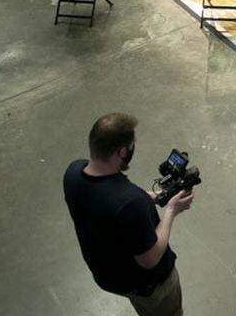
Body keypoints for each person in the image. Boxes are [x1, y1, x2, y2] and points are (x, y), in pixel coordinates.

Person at [63, 113, 193, 316]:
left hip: (109, 273)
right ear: (122, 152)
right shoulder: (131, 202)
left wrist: (152, 197)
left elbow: (109, 202)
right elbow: (149, 259)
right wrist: (171, 210)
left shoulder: (73, 173)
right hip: (149, 286)